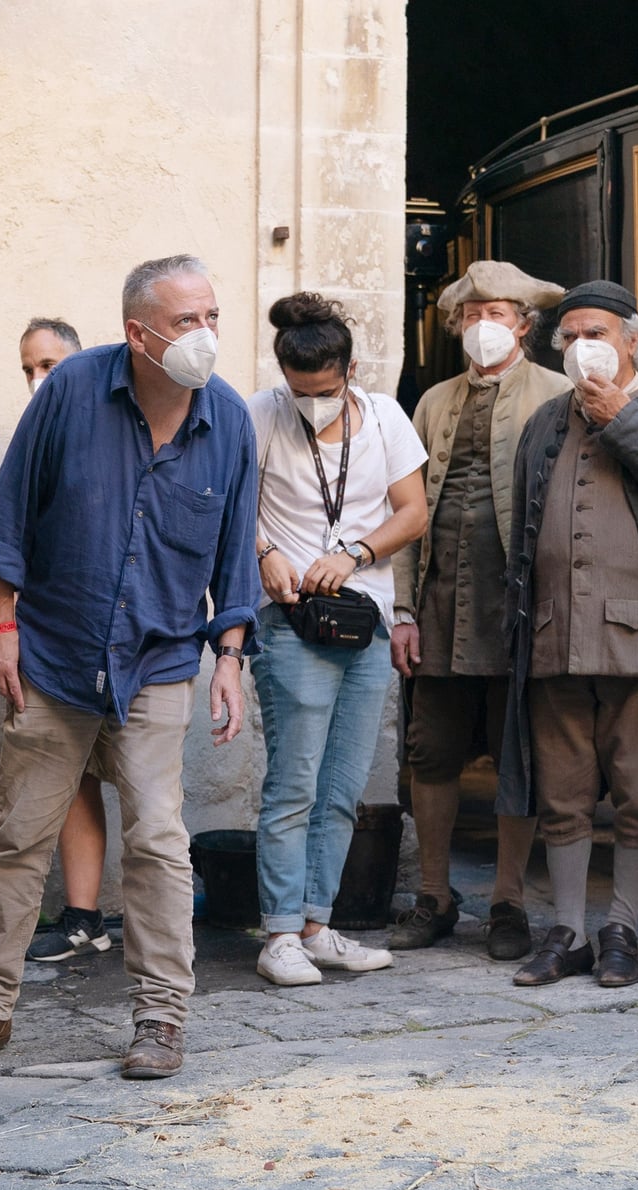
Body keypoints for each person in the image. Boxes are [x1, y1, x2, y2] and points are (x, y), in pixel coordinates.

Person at [0, 254, 259, 1081]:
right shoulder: (73, 390)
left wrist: (228, 656)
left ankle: (161, 1019)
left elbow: (233, 557)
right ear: (137, 333)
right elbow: (5, 515)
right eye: (185, 322)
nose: (205, 336)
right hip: (52, 652)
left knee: (157, 838)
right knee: (19, 838)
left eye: (212, 317)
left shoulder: (226, 420)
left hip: (155, 661)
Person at [499, 281, 638, 988]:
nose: (579, 345)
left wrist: (623, 419)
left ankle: (620, 926)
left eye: (595, 331)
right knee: (561, 795)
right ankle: (567, 932)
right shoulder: (543, 422)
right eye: (568, 335)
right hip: (554, 637)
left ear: (631, 339)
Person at [388, 261, 571, 960]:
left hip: (518, 609)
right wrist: (402, 609)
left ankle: (508, 903)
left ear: (524, 324)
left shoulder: (557, 394)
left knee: (516, 754)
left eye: (497, 313)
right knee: (429, 751)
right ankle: (435, 895)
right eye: (471, 314)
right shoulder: (432, 400)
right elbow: (403, 510)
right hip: (439, 604)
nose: (483, 325)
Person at [247, 295, 428, 987]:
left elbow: (412, 510)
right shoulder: (260, 413)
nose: (310, 404)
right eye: (298, 391)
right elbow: (232, 502)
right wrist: (265, 553)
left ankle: (318, 924)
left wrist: (352, 553)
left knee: (344, 785)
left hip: (366, 614)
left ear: (349, 372)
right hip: (291, 616)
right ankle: (280, 933)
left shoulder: (385, 416)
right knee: (293, 781)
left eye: (323, 392)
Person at [13, 318, 117, 964]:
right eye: (27, 367)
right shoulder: (35, 439)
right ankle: (84, 916)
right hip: (53, 644)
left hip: (125, 644)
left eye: (48, 364)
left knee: (144, 785)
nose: (36, 379)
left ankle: (159, 937)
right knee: (71, 780)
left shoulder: (114, 433)